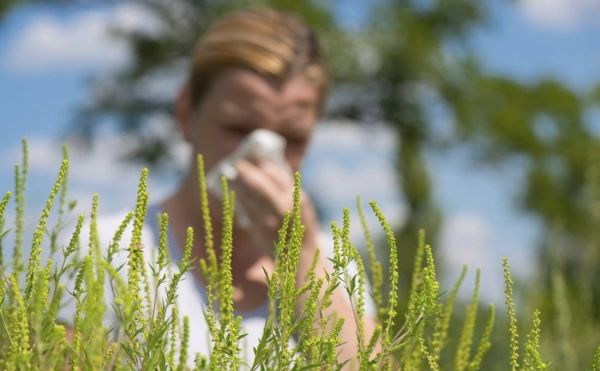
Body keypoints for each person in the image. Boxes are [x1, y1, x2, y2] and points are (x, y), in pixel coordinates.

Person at [61, 7, 378, 368]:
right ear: (185, 113)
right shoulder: (109, 250)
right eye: (238, 129)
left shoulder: (333, 264)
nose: (261, 157)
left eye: (291, 138)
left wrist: (302, 262)